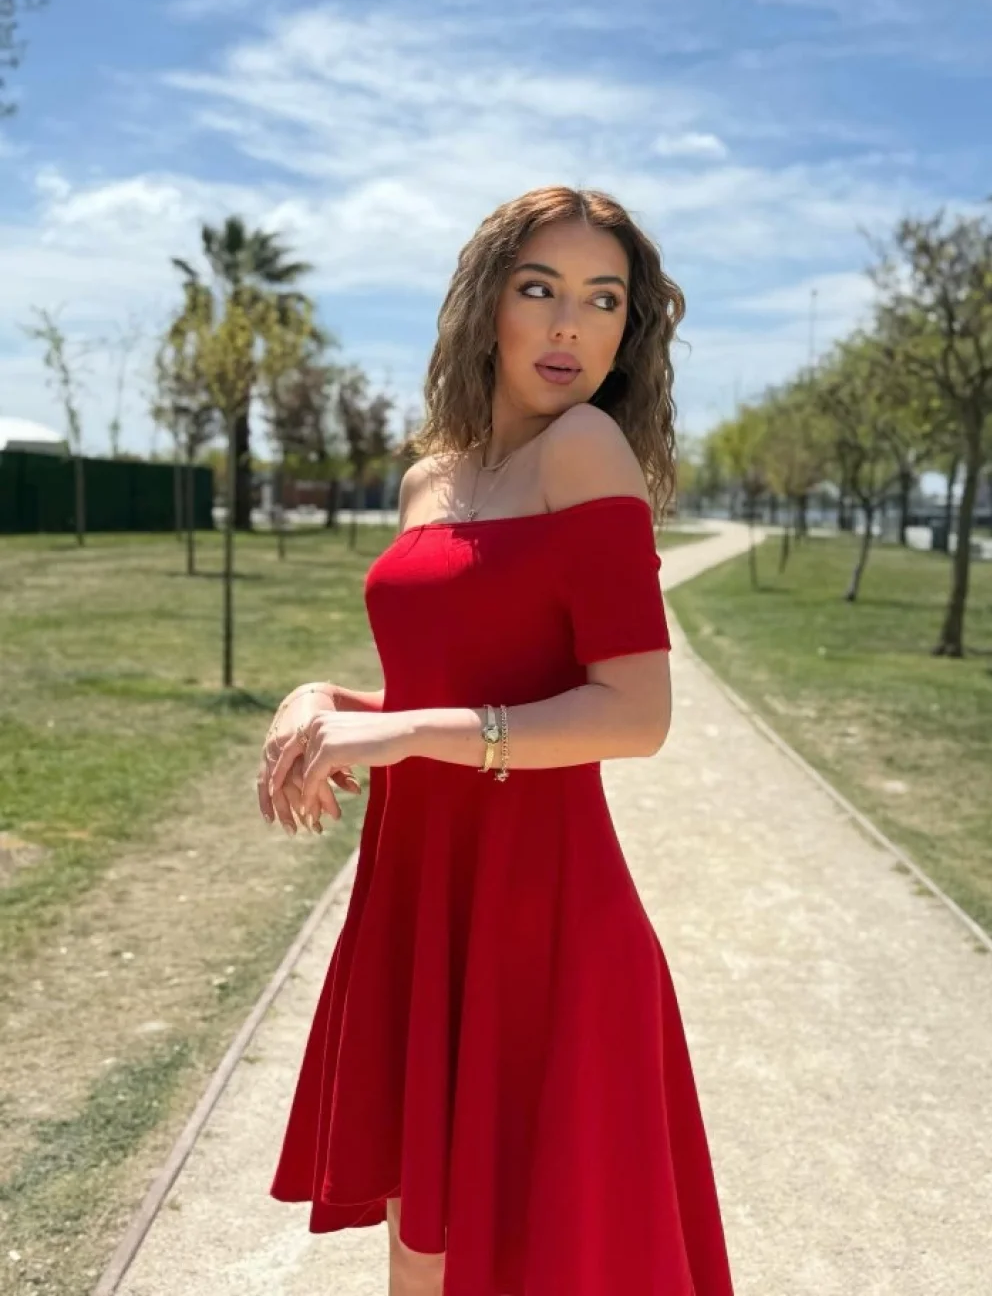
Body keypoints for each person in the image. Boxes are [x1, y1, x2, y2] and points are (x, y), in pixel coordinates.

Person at [256, 186, 735, 1296]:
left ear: (628, 330)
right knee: (418, 1244)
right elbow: (449, 684)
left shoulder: (586, 448)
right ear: (488, 306)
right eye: (540, 288)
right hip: (420, 893)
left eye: (604, 300)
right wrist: (321, 700)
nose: (570, 325)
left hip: (541, 905)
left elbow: (636, 712)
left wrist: (405, 729)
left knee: (530, 1251)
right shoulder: (431, 478)